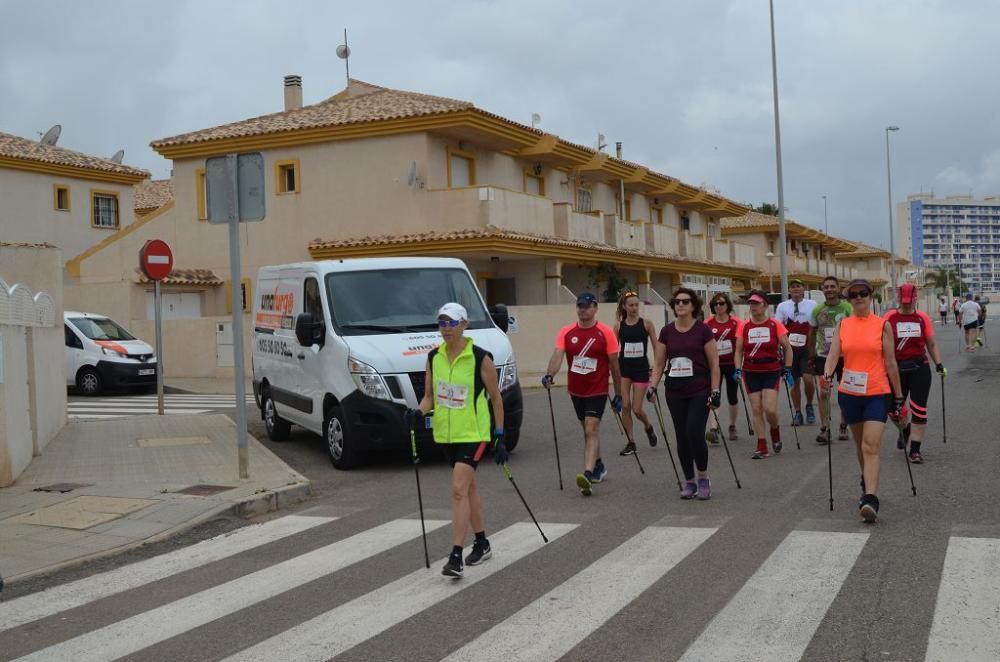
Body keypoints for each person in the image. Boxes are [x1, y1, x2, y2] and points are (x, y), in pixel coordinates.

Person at [407, 303, 505, 578]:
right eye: (442, 323)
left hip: (475, 433)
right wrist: (416, 413)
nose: (446, 328)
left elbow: (496, 398)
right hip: (447, 434)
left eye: (452, 323)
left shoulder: (480, 357)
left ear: (464, 324)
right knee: (469, 490)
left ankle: (455, 556)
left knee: (458, 490)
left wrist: (500, 434)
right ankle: (482, 542)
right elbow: (430, 397)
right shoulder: (433, 358)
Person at [820, 279, 904, 524]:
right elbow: (833, 355)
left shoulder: (882, 325)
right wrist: (826, 376)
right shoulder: (843, 325)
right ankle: (865, 478)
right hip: (849, 392)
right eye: (853, 295)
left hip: (877, 392)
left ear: (871, 296)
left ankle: (870, 498)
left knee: (870, 445)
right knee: (860, 444)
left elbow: (890, 363)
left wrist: (898, 396)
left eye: (863, 294)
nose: (858, 298)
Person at [543, 292, 624, 497]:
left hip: (598, 388)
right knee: (588, 432)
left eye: (587, 307)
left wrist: (619, 394)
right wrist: (549, 375)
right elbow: (557, 356)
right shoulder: (567, 332)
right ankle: (598, 465)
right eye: (580, 306)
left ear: (595, 308)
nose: (583, 310)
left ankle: (587, 474)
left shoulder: (605, 333)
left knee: (591, 429)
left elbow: (615, 367)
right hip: (576, 389)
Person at [647, 287, 721, 499]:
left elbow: (714, 363)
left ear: (693, 306)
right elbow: (660, 363)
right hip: (675, 391)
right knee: (682, 437)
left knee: (694, 432)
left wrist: (715, 391)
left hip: (699, 388)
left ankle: (703, 477)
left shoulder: (703, 331)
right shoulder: (667, 332)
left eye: (685, 301)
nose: (680, 305)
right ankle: (689, 481)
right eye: (677, 302)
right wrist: (653, 386)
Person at [884, 283, 945, 463]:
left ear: (915, 300)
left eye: (909, 303)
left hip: (919, 367)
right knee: (894, 410)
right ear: (898, 300)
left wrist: (939, 363)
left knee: (919, 409)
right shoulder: (889, 317)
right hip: (895, 368)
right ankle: (904, 429)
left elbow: (931, 344)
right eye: (903, 303)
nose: (906, 306)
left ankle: (915, 450)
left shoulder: (922, 318)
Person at [734, 289, 795, 459]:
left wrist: (788, 368)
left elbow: (787, 348)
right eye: (751, 303)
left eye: (756, 303)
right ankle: (762, 445)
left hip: (771, 370)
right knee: (756, 409)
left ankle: (775, 430)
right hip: (751, 372)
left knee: (769, 409)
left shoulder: (775, 324)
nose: (753, 306)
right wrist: (737, 368)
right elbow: (738, 351)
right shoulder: (744, 325)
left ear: (765, 305)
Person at [808, 276, 854, 444]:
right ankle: (825, 428)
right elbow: (811, 333)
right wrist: (811, 355)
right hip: (824, 357)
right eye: (826, 287)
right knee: (824, 392)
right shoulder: (817, 310)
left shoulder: (848, 308)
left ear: (838, 288)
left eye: (832, 286)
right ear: (822, 289)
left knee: (845, 392)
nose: (829, 289)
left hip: (845, 357)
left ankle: (844, 424)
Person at [613, 290, 658, 456]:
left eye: (636, 305)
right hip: (625, 370)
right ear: (624, 307)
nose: (634, 308)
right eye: (630, 305)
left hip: (641, 370)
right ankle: (631, 442)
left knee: (637, 409)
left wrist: (656, 367)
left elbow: (656, 346)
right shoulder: (619, 326)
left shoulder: (647, 324)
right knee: (625, 406)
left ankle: (648, 426)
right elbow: (612, 350)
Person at [775, 278, 818, 426]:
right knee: (794, 383)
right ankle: (798, 412)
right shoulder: (782, 306)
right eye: (793, 287)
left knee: (807, 379)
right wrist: (779, 348)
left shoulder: (812, 305)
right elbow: (778, 327)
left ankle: (810, 405)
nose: (795, 289)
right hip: (790, 349)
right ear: (789, 290)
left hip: (807, 348)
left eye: (798, 286)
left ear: (803, 289)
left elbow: (816, 324)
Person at [704, 292, 743, 443]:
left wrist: (740, 367)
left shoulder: (736, 323)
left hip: (731, 364)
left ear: (728, 305)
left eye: (721, 303)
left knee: (732, 396)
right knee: (714, 395)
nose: (719, 306)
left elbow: (740, 347)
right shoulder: (708, 323)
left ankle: (732, 426)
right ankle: (714, 428)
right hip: (715, 365)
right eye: (716, 304)